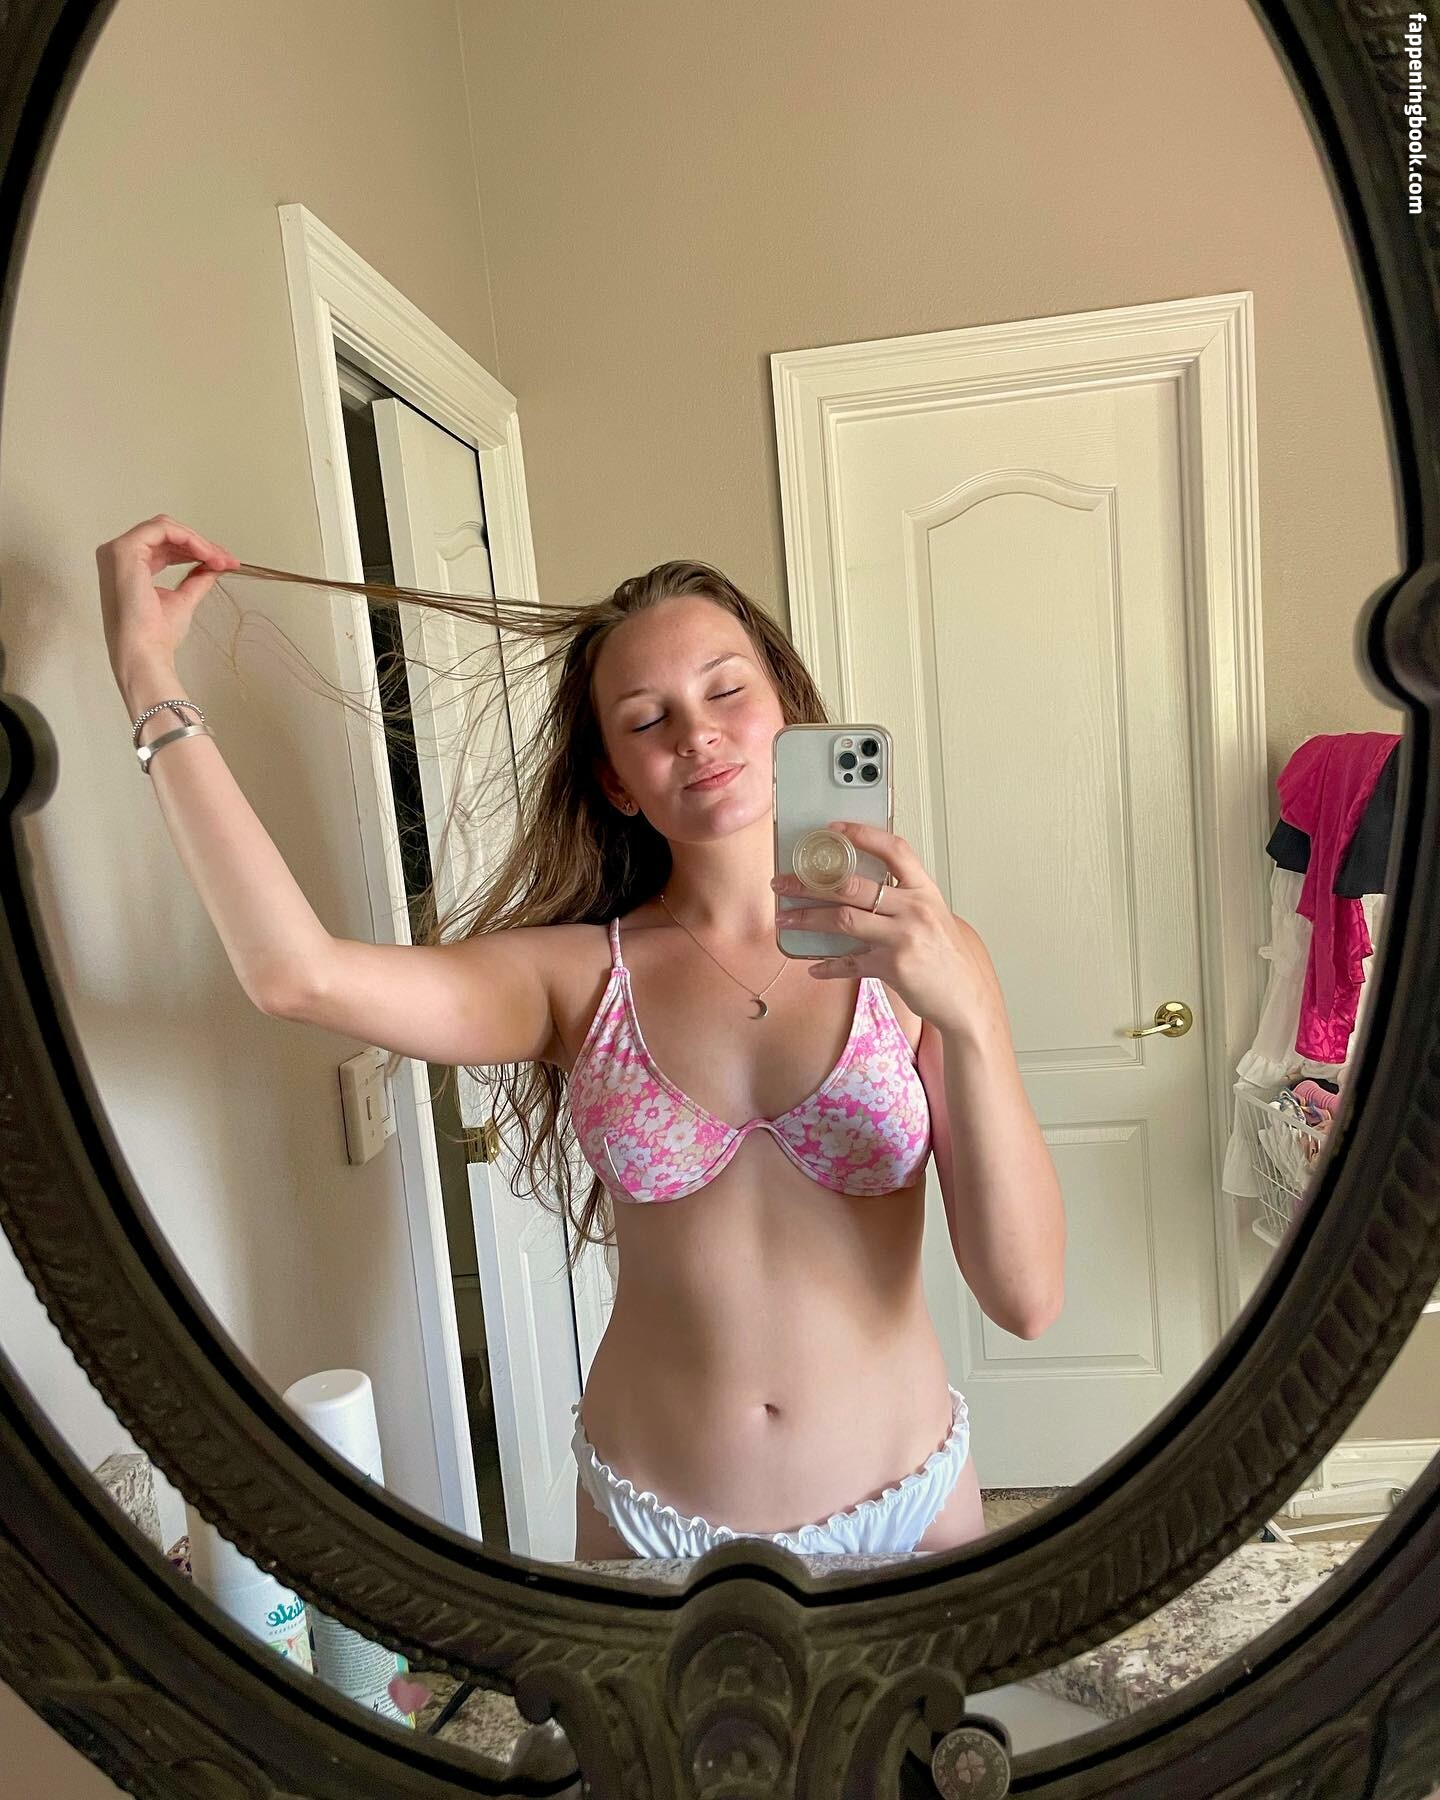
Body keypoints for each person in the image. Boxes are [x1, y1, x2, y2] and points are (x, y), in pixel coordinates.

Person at [98, 514, 1066, 1563]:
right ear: (615, 780)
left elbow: (1025, 1299)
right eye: (647, 718)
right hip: (652, 1524)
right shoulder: (574, 979)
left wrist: (967, 1014)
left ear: (788, 713)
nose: (695, 733)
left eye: (726, 690)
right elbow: (295, 974)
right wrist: (146, 669)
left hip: (905, 1507)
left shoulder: (924, 960)